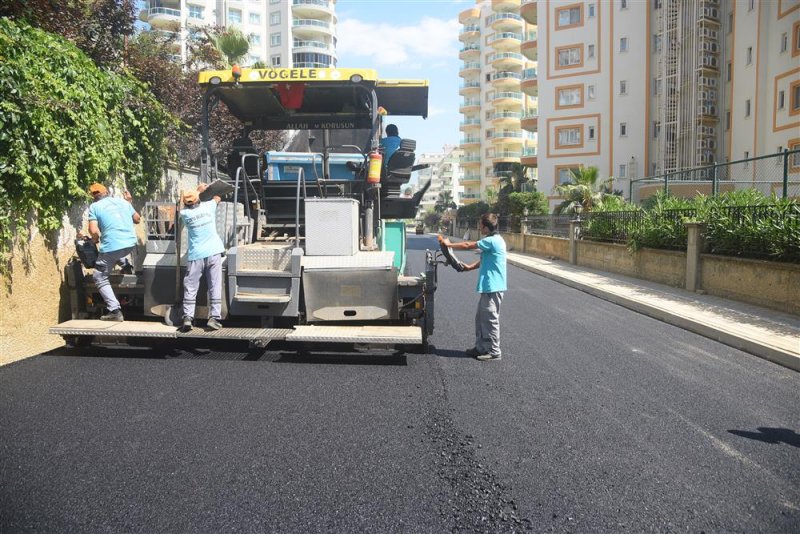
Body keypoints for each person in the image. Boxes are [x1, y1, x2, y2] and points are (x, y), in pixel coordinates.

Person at [443, 213, 507, 361]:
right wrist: (470, 267)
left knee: (490, 319)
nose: (479, 227)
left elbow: (467, 245)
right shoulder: (493, 241)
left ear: (485, 226)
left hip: (493, 287)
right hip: (488, 287)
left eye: (480, 225)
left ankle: (494, 352)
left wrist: (449, 244)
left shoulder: (492, 241)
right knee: (481, 319)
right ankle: (481, 347)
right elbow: (485, 259)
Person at [82, 183, 141, 321]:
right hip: (130, 244)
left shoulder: (94, 207)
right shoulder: (124, 202)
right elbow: (137, 219)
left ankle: (114, 310)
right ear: (107, 192)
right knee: (115, 253)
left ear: (93, 196)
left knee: (99, 276)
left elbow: (93, 230)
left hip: (112, 247)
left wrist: (94, 240)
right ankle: (126, 266)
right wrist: (129, 203)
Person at [178, 183, 224, 332]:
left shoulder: (185, 215)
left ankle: (188, 318)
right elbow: (217, 198)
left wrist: (197, 191)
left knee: (191, 286)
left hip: (196, 255)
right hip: (213, 252)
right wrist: (207, 190)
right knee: (214, 285)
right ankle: (214, 318)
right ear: (198, 200)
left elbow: (181, 208)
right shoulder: (208, 207)